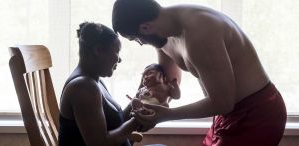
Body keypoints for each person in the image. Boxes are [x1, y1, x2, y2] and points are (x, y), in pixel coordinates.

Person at [112, 0, 287, 146]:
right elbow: (170, 83)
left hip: (258, 114)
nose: (141, 43)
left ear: (145, 28)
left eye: (136, 39)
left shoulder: (199, 32)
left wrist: (166, 115)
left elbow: (224, 103)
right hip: (225, 115)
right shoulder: (164, 32)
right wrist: (150, 103)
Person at [58, 22, 140, 146]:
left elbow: (114, 124)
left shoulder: (94, 81)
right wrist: (137, 121)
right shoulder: (83, 88)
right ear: (98, 50)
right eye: (117, 51)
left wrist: (138, 99)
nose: (119, 59)